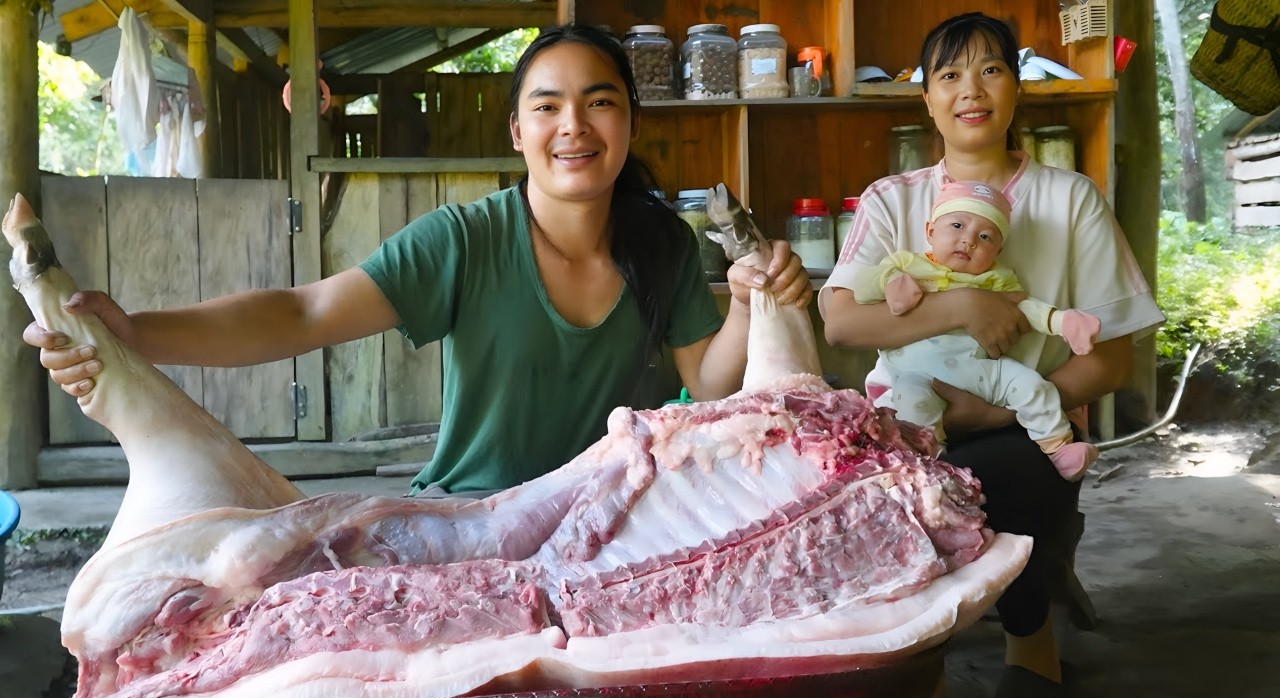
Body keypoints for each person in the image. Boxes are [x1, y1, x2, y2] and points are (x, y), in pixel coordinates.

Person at [23, 23, 811, 498]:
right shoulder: (462, 241)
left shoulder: (663, 243)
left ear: (629, 124)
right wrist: (137, 332)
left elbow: (707, 382)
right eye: (548, 105)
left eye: (600, 101)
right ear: (516, 132)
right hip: (467, 515)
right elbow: (303, 312)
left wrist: (749, 303)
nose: (575, 125)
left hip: (611, 517)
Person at [820, 12, 1163, 698]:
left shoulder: (1070, 200)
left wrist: (1002, 410)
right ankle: (894, 649)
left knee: (1000, 474)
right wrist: (960, 310)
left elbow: (1113, 362)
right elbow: (843, 319)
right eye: (948, 75)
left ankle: (1030, 644)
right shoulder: (894, 199)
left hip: (1024, 419)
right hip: (907, 414)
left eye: (991, 70)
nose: (969, 90)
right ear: (927, 99)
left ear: (1017, 88)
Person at [852, 179, 1102, 481]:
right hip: (919, 376)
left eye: (984, 236)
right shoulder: (907, 263)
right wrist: (891, 281)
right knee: (912, 403)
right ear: (930, 232)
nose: (968, 240)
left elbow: (1024, 307)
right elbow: (862, 290)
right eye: (957, 226)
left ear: (998, 250)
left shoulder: (997, 280)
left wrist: (1062, 322)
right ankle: (929, 463)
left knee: (1033, 386)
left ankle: (1059, 449)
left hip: (981, 372)